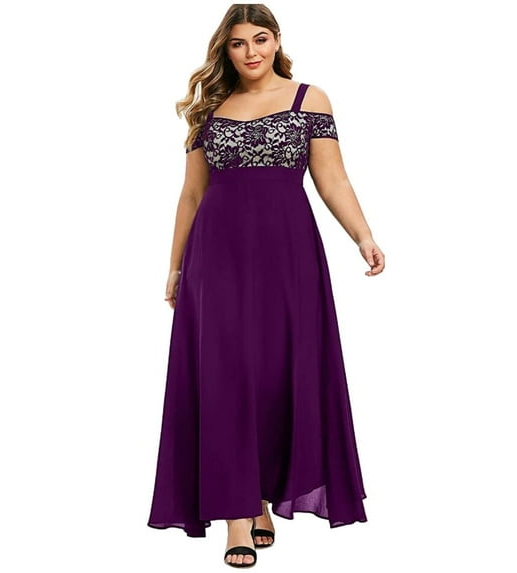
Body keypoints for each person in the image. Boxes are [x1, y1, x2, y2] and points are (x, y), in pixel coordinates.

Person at [146, 3, 385, 568]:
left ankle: (260, 498)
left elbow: (332, 178)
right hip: (217, 258)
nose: (250, 51)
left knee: (278, 376)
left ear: (277, 41)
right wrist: (176, 267)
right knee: (226, 377)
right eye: (238, 43)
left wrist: (363, 235)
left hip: (288, 257)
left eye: (260, 39)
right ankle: (237, 515)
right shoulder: (208, 109)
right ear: (225, 50)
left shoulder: (309, 99)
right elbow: (192, 195)